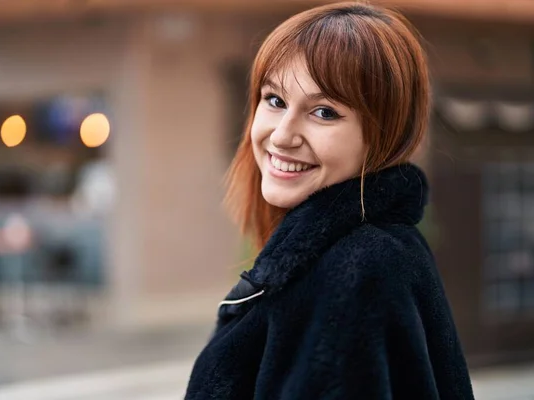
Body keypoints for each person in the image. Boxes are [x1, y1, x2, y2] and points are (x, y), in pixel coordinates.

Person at [185, 3, 474, 399]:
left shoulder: (358, 268)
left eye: (323, 112)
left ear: (384, 135)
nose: (283, 135)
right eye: (275, 100)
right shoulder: (359, 251)